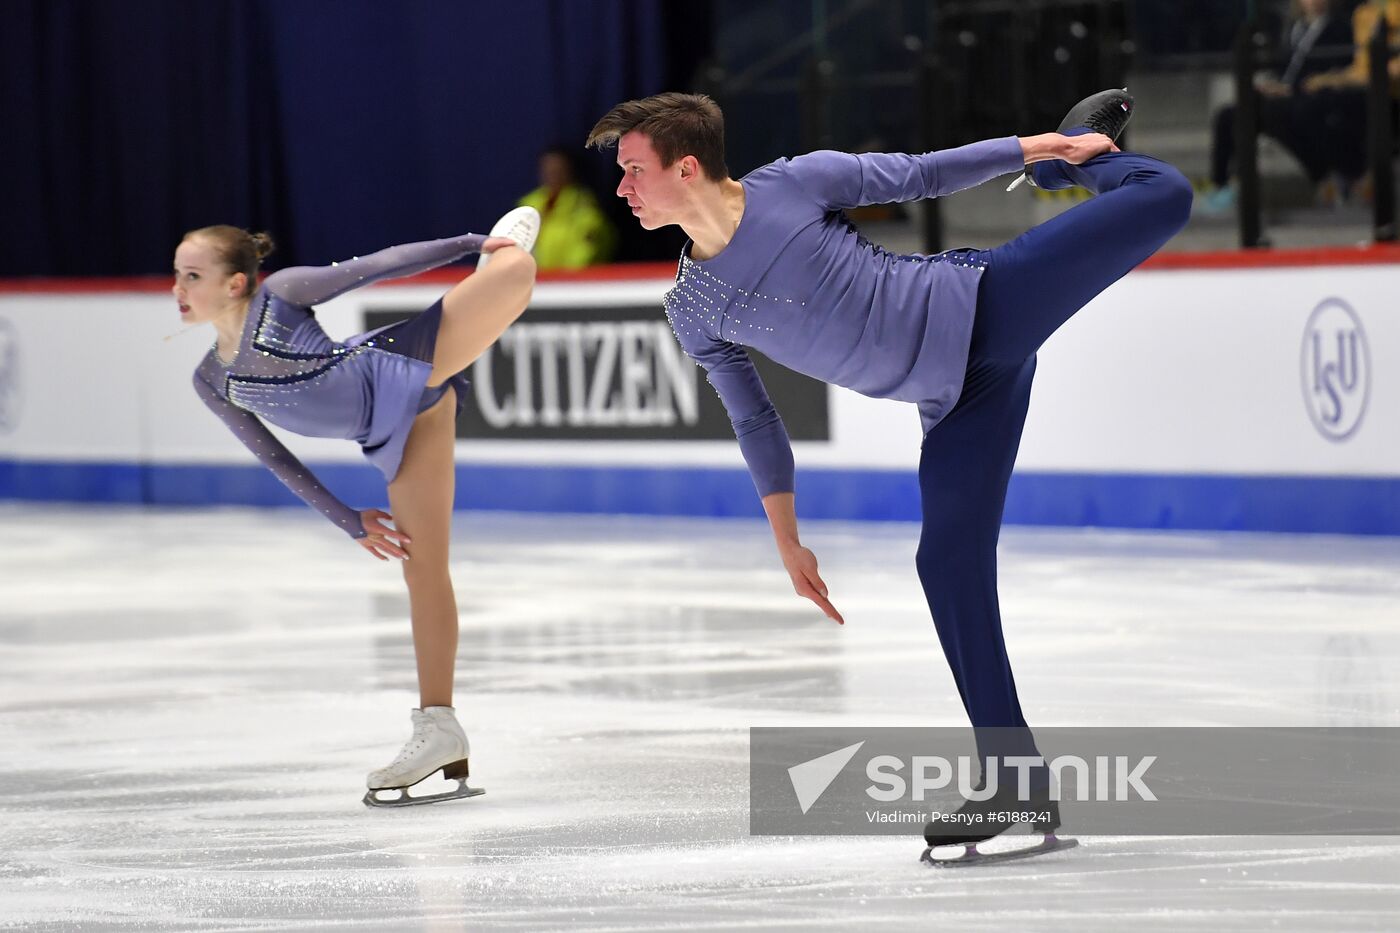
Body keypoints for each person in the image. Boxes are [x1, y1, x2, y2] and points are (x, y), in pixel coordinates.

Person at [586, 90, 1192, 862]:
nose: (623, 188)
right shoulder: (693, 305)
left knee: (1164, 194)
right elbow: (756, 420)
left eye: (634, 169)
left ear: (689, 166)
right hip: (955, 399)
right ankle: (1014, 779)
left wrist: (1042, 148)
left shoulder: (795, 184)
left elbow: (920, 175)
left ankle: (1076, 164)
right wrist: (788, 540)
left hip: (983, 304)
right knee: (945, 561)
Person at [174, 209, 539, 806]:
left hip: (400, 361)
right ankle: (440, 728)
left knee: (517, 269)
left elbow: (377, 267)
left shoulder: (281, 295)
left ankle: (495, 257)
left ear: (234, 283)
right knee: (421, 568)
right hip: (394, 427)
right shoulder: (213, 379)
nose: (177, 290)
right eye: (177, 276)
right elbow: (275, 458)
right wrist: (349, 519)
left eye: (191, 276)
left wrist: (473, 241)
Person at [1202, 0, 1353, 213]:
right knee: (1228, 115)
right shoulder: (1295, 29)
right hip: (1285, 93)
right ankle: (1222, 184)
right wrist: (1275, 85)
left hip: (1313, 97)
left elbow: (1336, 70)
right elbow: (1285, 68)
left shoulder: (1340, 28)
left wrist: (1292, 89)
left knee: (1270, 113)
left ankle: (1323, 175)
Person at [1298, 0, 1400, 199]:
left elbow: (1387, 69)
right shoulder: (1363, 13)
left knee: (1345, 105)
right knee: (1315, 104)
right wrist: (1331, 79)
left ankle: (1360, 179)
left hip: (1391, 96)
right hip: (1368, 88)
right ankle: (1348, 176)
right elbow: (1361, 65)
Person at [517, 146, 618, 269]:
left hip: (573, 281)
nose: (553, 175)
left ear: (569, 171)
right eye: (548, 170)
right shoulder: (529, 204)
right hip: (536, 279)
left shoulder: (585, 206)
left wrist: (566, 278)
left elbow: (588, 249)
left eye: (558, 170)